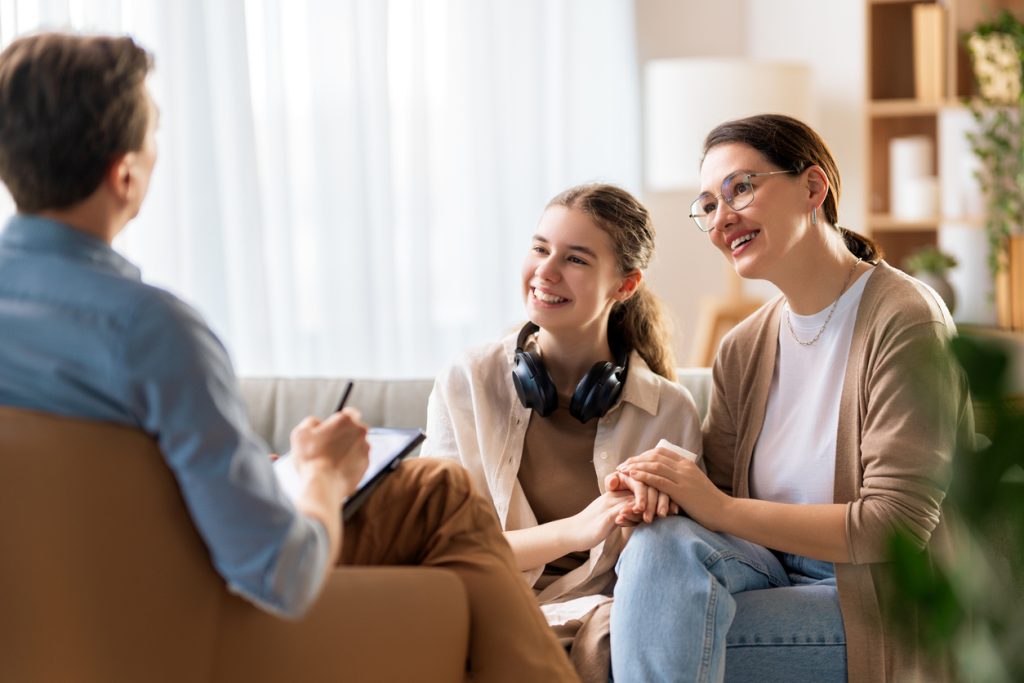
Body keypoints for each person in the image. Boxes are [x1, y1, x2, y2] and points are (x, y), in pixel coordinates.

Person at [0, 32, 578, 683]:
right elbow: (280, 572)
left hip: (49, 610)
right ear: (124, 173)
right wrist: (322, 473)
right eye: (154, 132)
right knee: (441, 494)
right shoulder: (152, 330)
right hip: (187, 600)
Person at [608, 114, 973, 683]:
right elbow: (717, 505)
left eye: (741, 189)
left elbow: (897, 525)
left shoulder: (905, 318)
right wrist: (658, 492)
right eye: (708, 205)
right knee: (659, 548)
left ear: (812, 188)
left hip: (874, 597)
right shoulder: (744, 346)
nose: (721, 219)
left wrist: (717, 507)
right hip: (770, 572)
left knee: (651, 627)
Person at [422, 183, 702, 682]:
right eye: (539, 248)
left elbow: (668, 567)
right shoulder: (467, 381)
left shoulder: (669, 412)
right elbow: (442, 549)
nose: (546, 272)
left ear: (625, 285)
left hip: (602, 623)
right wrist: (577, 529)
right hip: (484, 606)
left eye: (575, 258)